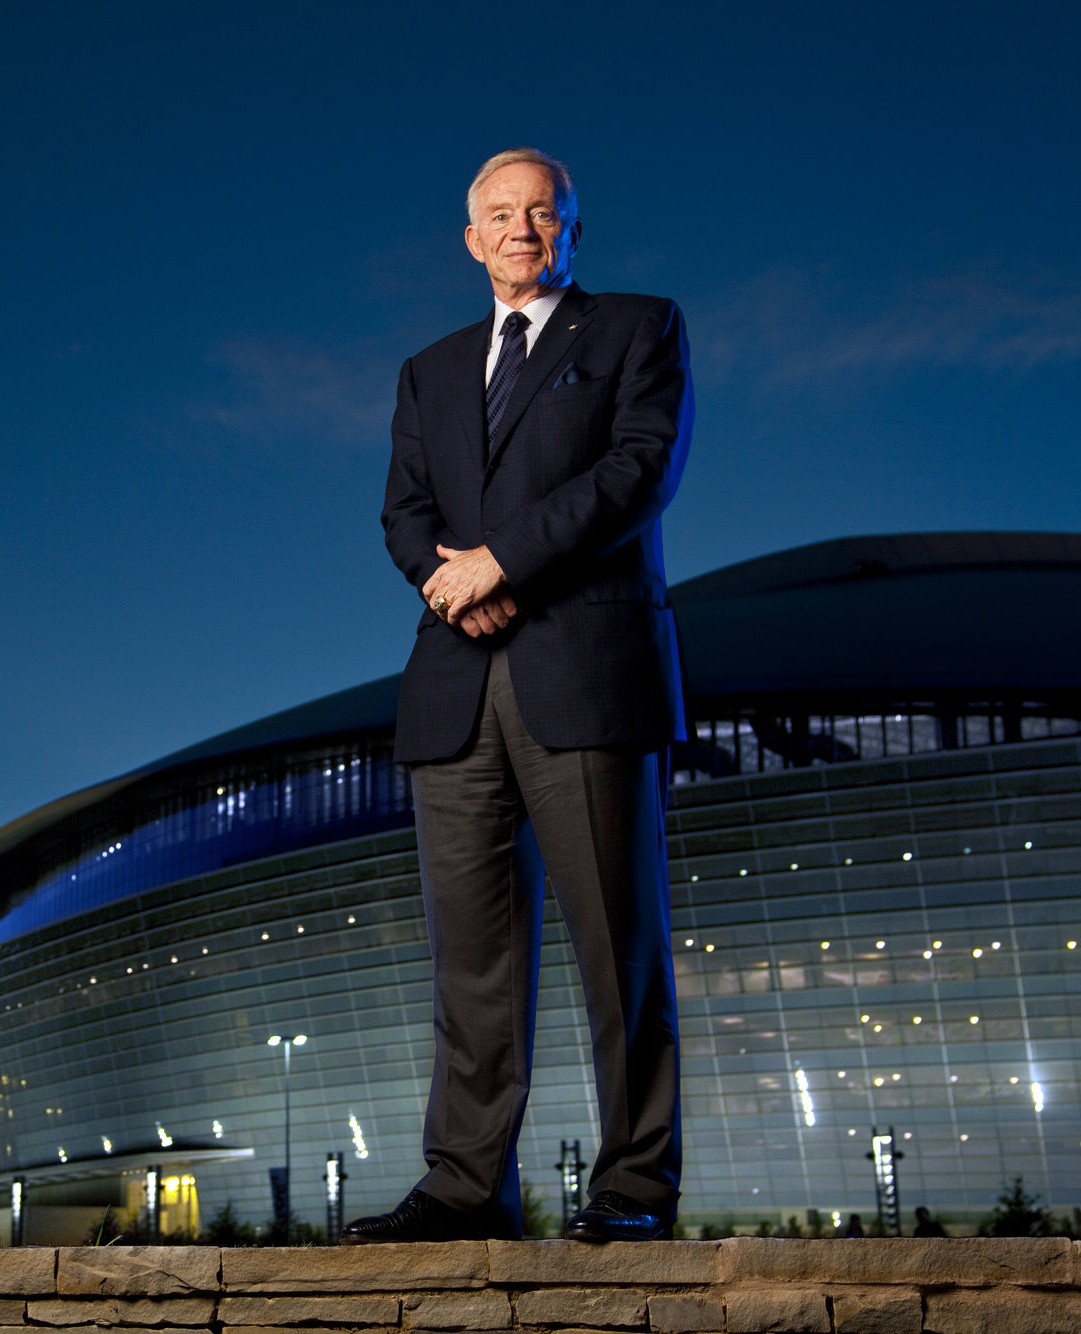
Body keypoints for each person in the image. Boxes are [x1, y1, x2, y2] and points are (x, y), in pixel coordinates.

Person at [341, 148, 692, 1245]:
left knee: (613, 946)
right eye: (499, 213)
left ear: (573, 228)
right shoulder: (428, 368)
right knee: (472, 965)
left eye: (541, 212)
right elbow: (404, 511)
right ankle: (464, 1187)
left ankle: (632, 1189)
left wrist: (501, 563)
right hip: (454, 688)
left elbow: (637, 471)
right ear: (467, 236)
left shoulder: (638, 328)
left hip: (583, 676)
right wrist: (450, 584)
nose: (520, 229)